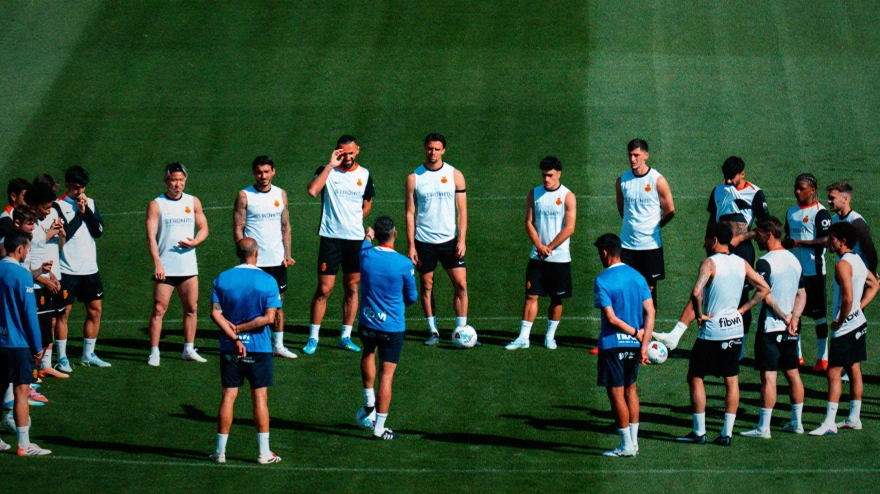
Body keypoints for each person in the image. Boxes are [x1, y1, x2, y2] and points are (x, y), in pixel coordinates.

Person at [675, 223, 770, 446]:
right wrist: (743, 310)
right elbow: (764, 288)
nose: (704, 243)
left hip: (713, 331)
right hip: (735, 328)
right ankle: (726, 434)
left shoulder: (710, 263)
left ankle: (699, 432)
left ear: (715, 240)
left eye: (707, 239)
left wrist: (700, 315)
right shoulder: (741, 263)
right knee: (731, 379)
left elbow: (697, 292)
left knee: (696, 376)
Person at [209, 238, 283, 464]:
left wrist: (234, 336)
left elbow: (215, 313)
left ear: (237, 253)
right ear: (256, 254)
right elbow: (270, 318)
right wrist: (243, 328)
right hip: (259, 348)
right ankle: (263, 453)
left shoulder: (222, 279)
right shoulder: (268, 280)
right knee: (260, 398)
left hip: (229, 348)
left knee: (228, 396)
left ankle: (220, 452)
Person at [305, 136, 375, 355]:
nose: (347, 157)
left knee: (352, 287)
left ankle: (345, 335)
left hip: (354, 240)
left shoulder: (364, 175)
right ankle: (313, 337)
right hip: (331, 238)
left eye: (351, 153)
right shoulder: (327, 171)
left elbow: (367, 203)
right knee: (324, 289)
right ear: (336, 152)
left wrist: (356, 221)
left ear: (358, 151)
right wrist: (329, 166)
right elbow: (313, 190)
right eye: (343, 153)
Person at [740, 216, 807, 438]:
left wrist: (785, 317)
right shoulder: (794, 260)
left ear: (768, 234)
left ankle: (763, 427)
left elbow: (764, 295)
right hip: (792, 329)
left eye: (758, 233)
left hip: (771, 328)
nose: (755, 236)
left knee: (769, 377)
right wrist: (795, 318)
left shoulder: (765, 262)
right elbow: (802, 294)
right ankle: (797, 423)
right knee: (793, 374)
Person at [809, 222, 879, 436]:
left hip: (846, 327)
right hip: (858, 323)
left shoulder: (842, 265)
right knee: (854, 368)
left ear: (843, 241)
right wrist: (859, 307)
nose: (829, 241)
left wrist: (841, 319)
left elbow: (847, 297)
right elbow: (875, 284)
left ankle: (829, 421)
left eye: (832, 237)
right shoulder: (857, 260)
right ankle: (854, 417)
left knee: (833, 372)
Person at [355, 217, 417, 440]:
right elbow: (411, 297)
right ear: (395, 234)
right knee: (387, 376)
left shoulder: (365, 255)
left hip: (367, 322)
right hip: (392, 327)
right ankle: (379, 427)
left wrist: (368, 235)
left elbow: (364, 242)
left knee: (368, 352)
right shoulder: (403, 264)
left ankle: (368, 398)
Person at [592, 233, 654, 457]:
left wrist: (636, 332)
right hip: (635, 346)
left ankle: (625, 445)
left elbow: (611, 318)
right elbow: (651, 311)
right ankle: (634, 443)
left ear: (605, 253)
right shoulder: (638, 277)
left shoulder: (602, 280)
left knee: (616, 393)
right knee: (631, 391)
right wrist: (643, 342)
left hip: (613, 344)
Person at [506, 156, 576, 350]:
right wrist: (539, 245)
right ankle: (523, 337)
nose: (546, 179)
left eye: (550, 175)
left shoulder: (568, 196)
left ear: (559, 174)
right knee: (531, 295)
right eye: (544, 175)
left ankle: (550, 337)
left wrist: (550, 248)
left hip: (559, 258)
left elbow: (569, 228)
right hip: (538, 256)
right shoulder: (534, 194)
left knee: (556, 298)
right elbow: (529, 222)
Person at [404, 133, 469, 345]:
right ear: (425, 148)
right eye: (430, 148)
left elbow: (462, 210)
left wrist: (462, 239)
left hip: (450, 240)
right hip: (425, 242)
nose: (433, 152)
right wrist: (411, 244)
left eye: (437, 149)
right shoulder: (415, 177)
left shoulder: (455, 175)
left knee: (461, 284)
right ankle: (433, 330)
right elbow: (409, 213)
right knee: (427, 285)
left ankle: (462, 329)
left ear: (443, 150)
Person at [233, 155, 297, 359]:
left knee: (277, 304)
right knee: (251, 303)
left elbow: (285, 226)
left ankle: (278, 345)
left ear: (273, 172)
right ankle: (249, 343)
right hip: (254, 262)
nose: (263, 176)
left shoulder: (281, 194)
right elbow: (238, 228)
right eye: (259, 172)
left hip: (277, 260)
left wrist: (287, 254)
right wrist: (243, 256)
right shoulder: (245, 196)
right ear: (254, 173)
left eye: (267, 171)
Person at [146, 163, 209, 366]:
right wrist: (158, 263)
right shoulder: (157, 204)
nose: (178, 184)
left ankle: (188, 349)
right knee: (159, 308)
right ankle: (154, 352)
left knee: (191, 307)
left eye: (181, 180)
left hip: (188, 266)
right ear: (166, 180)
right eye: (174, 180)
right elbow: (150, 236)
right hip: (165, 266)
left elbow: (203, 227)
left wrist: (196, 241)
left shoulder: (193, 201)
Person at [706, 156, 770, 356]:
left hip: (742, 251)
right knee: (715, 294)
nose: (726, 182)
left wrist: (741, 238)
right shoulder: (718, 190)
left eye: (731, 177)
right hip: (718, 250)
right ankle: (716, 341)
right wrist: (707, 241)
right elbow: (712, 218)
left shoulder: (755, 193)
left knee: (741, 297)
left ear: (742, 173)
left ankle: (739, 346)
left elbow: (765, 226)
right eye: (724, 176)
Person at [0, 230, 51, 455]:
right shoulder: (22, 275)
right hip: (18, 344)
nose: (28, 251)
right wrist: (38, 346)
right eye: (27, 248)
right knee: (21, 393)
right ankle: (24, 444)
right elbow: (30, 314)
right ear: (19, 249)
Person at [55, 166, 108, 368]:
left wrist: (87, 212)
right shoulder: (57, 206)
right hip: (67, 269)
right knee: (64, 313)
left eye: (83, 187)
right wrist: (80, 212)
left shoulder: (90, 203)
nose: (80, 192)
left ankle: (88, 354)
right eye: (77, 187)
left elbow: (99, 230)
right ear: (68, 185)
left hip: (90, 268)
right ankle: (62, 357)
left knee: (95, 310)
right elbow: (65, 235)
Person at [616, 139, 675, 309]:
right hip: (627, 246)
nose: (632, 159)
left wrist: (655, 226)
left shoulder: (657, 180)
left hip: (650, 246)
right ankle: (630, 331)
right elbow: (622, 211)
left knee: (649, 291)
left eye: (636, 155)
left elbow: (670, 210)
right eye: (630, 155)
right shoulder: (622, 181)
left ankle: (646, 334)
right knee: (627, 288)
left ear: (646, 155)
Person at [782, 173, 832, 370]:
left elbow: (827, 241)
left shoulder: (821, 213)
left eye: (801, 188)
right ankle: (797, 355)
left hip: (814, 272)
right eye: (795, 187)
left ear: (812, 189)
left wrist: (799, 243)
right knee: (796, 314)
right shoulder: (791, 212)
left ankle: (823, 357)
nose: (797, 191)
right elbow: (788, 236)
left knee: (819, 316)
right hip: (794, 273)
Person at [24, 181, 68, 379]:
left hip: (42, 283)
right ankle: (26, 381)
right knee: (33, 337)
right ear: (33, 204)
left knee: (43, 334)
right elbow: (22, 265)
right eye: (45, 207)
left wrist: (50, 276)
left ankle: (33, 376)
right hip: (32, 288)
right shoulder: (26, 228)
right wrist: (44, 280)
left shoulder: (37, 224)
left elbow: (40, 256)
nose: (48, 211)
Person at [826, 181, 877, 276]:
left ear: (845, 198)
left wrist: (872, 272)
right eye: (829, 198)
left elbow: (870, 249)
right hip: (842, 270)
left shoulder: (856, 221)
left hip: (857, 273)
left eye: (832, 198)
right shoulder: (834, 220)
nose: (829, 201)